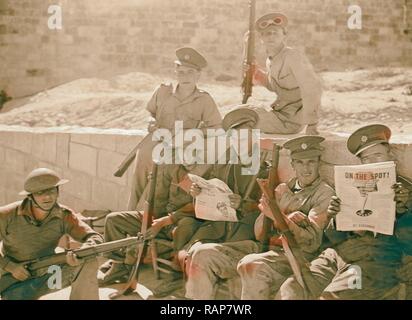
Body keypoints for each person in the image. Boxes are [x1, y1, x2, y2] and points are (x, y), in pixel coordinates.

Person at [277, 124, 412, 300]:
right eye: (365, 159)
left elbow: (408, 245)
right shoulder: (352, 186)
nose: (371, 163)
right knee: (292, 288)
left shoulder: (406, 191)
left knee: (330, 297)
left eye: (377, 155)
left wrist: (404, 211)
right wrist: (334, 217)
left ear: (390, 156)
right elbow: (333, 238)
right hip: (339, 255)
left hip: (377, 258)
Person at [165, 108, 270, 300]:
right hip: (219, 224)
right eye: (235, 139)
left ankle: (198, 294)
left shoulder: (263, 164)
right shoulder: (224, 160)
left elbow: (268, 205)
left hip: (246, 229)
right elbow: (210, 186)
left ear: (254, 137)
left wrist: (244, 205)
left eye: (244, 139)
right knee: (188, 251)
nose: (240, 144)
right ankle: (186, 290)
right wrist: (197, 192)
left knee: (202, 254)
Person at [237, 135, 335, 299]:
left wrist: (279, 216)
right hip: (271, 248)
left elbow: (311, 242)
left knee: (251, 264)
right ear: (293, 165)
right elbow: (259, 233)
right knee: (206, 252)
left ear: (319, 163)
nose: (306, 168)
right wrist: (272, 211)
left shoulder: (324, 193)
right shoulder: (283, 189)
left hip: (297, 254)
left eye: (311, 161)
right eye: (300, 162)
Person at [127, 47, 222, 211]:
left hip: (181, 148)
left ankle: (142, 217)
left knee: (158, 181)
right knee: (140, 173)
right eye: (181, 72)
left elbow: (217, 129)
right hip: (156, 141)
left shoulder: (204, 100)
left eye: (190, 72)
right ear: (175, 72)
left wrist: (193, 134)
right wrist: (150, 122)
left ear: (198, 74)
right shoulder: (163, 91)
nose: (185, 77)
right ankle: (128, 214)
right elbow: (151, 112)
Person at [0, 168, 103, 300]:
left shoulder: (64, 215)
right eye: (40, 193)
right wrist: (10, 266)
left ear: (58, 192)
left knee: (88, 260)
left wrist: (82, 252)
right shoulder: (7, 215)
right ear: (30, 196)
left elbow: (94, 237)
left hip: (49, 274)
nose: (47, 197)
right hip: (14, 277)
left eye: (51, 191)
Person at [244, 12, 322, 135]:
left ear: (283, 36)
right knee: (238, 112)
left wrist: (312, 124)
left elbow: (312, 88)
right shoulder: (271, 60)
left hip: (291, 121)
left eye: (276, 33)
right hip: (279, 113)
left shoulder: (292, 56)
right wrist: (259, 75)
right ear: (261, 39)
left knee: (239, 119)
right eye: (267, 34)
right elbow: (278, 87)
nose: (271, 37)